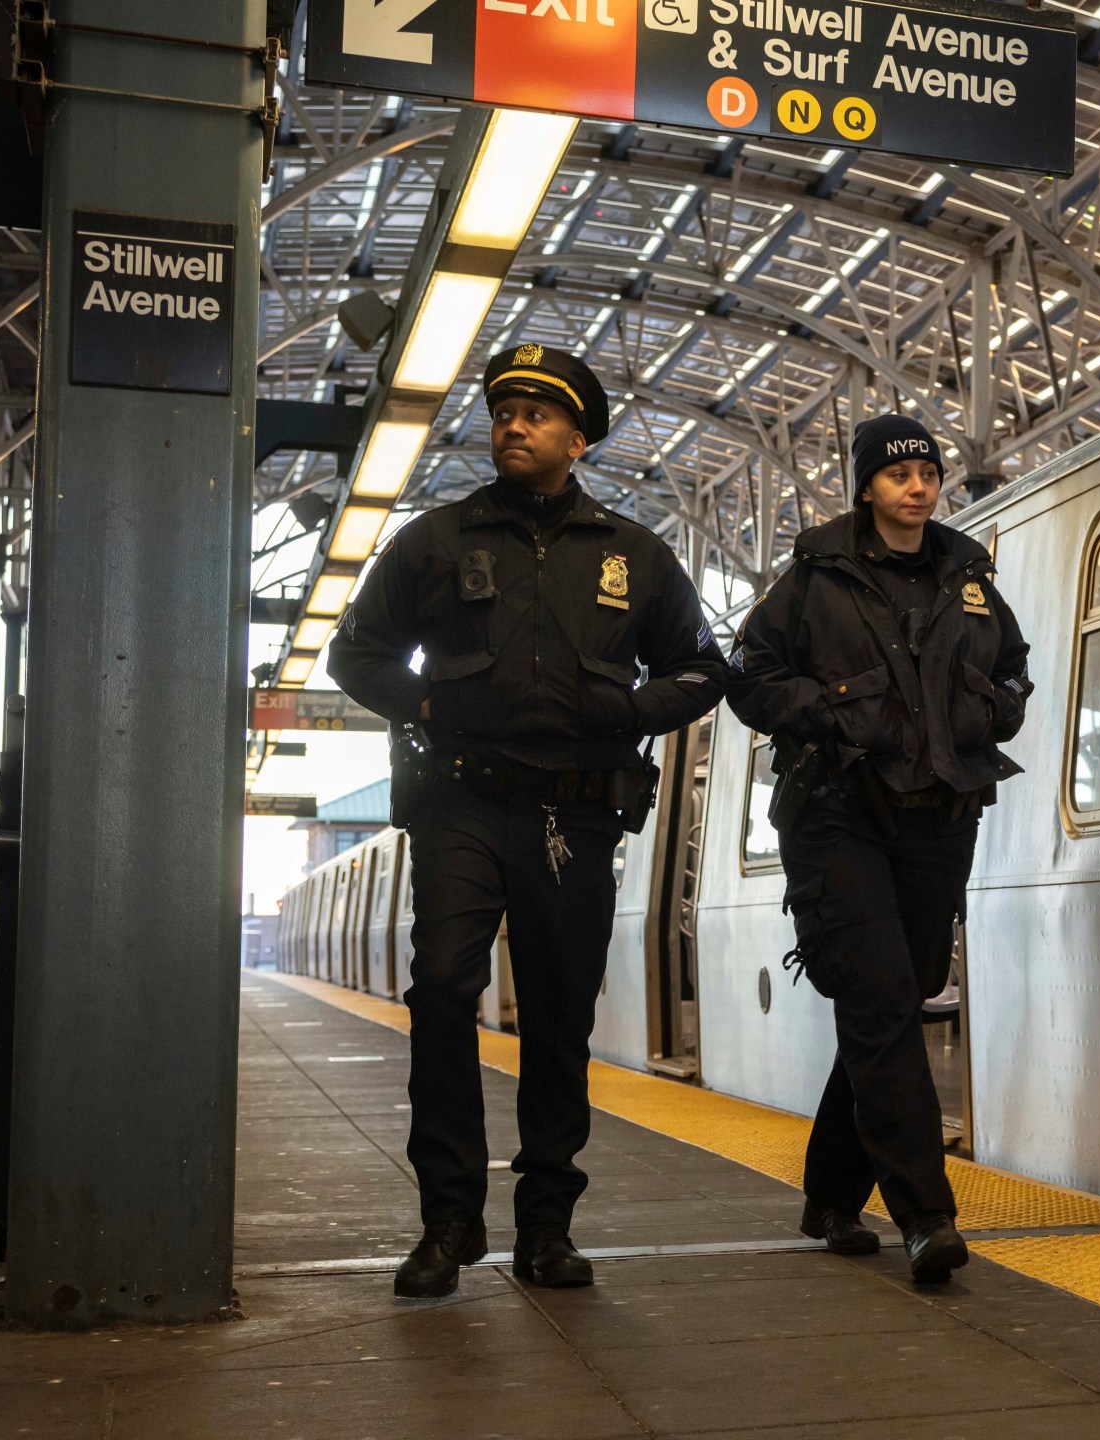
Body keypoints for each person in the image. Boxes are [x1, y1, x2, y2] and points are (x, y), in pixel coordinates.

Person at [331, 343, 730, 1298]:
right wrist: (424, 705)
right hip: (462, 806)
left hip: (575, 817)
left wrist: (631, 714)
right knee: (439, 992)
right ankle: (448, 1219)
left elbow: (705, 668)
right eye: (504, 409)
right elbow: (359, 653)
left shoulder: (633, 557)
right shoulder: (435, 542)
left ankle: (546, 1225)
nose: (514, 424)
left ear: (577, 440)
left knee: (558, 1021)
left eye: (538, 414)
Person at [729, 412, 1032, 1284]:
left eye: (929, 472)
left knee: (896, 996)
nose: (918, 485)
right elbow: (748, 674)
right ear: (867, 486)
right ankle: (924, 1214)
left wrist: (995, 710)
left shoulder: (967, 577)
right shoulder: (816, 577)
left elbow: (1012, 663)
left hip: (938, 812)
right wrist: (823, 716)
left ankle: (829, 1195)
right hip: (838, 815)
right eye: (899, 473)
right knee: (883, 995)